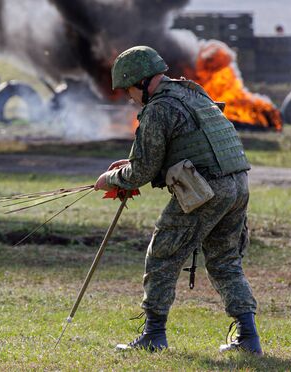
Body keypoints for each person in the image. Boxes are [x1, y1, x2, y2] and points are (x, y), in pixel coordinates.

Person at [94, 46, 263, 355]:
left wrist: (111, 179)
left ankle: (153, 335)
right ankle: (249, 339)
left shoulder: (159, 108)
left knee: (161, 256)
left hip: (205, 189)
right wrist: (132, 166)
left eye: (129, 90)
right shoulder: (192, 93)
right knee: (225, 261)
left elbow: (142, 172)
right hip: (237, 184)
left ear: (142, 82)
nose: (130, 97)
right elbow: (181, 149)